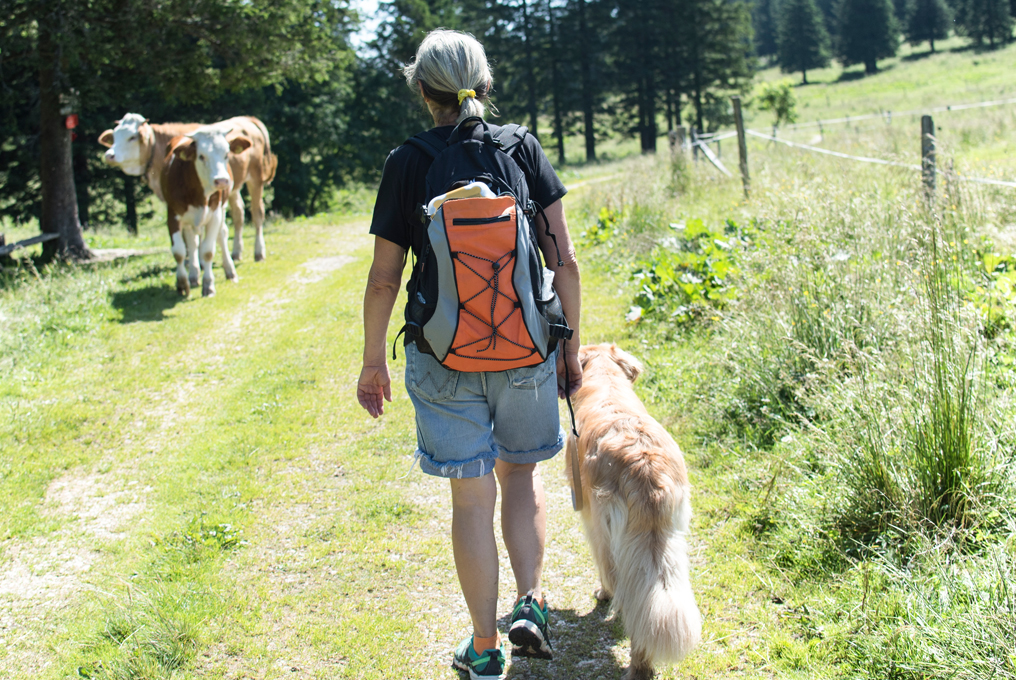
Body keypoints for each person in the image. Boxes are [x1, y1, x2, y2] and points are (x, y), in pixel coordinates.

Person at [356, 28, 582, 680]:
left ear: (424, 92)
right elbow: (562, 260)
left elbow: (382, 277)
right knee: (522, 477)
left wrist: (374, 359)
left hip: (443, 354)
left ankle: (483, 647)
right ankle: (530, 605)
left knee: (470, 500)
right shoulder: (521, 148)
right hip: (524, 351)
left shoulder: (408, 161)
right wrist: (571, 347)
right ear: (483, 84)